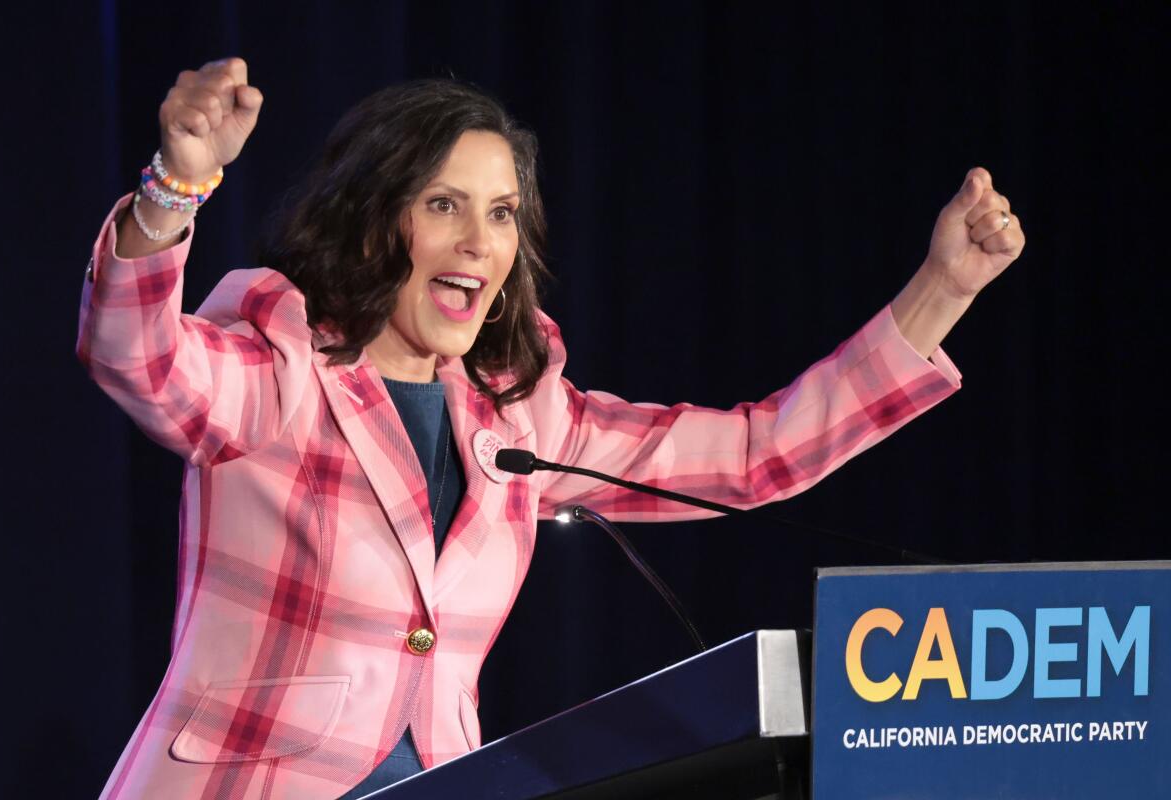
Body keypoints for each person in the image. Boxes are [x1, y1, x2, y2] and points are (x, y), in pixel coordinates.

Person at [78, 58, 1024, 799]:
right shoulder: (276, 366)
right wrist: (176, 188)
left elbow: (753, 455)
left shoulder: (515, 413)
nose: (478, 244)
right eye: (443, 205)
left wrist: (941, 292)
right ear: (373, 220)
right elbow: (138, 356)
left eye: (500, 214)